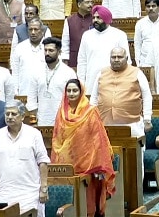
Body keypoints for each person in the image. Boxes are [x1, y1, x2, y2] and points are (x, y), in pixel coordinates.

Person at [52, 79, 115, 217]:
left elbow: (98, 138)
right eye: (68, 91)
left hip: (88, 163)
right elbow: (57, 137)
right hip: (69, 160)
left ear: (81, 92)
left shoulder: (91, 111)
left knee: (89, 204)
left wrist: (98, 164)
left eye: (75, 90)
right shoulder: (62, 112)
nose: (71, 93)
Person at [0, 100, 51, 216]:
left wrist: (43, 188)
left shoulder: (34, 134)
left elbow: (42, 161)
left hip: (30, 192)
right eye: (7, 114)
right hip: (4, 192)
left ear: (22, 116)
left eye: (13, 114)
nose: (10, 117)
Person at [89, 48, 153, 138]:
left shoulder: (137, 73)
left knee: (134, 151)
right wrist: (92, 118)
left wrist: (147, 119)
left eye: (119, 57)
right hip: (105, 124)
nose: (116, 60)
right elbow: (94, 98)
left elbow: (147, 97)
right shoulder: (101, 73)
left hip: (132, 124)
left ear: (127, 58)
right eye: (113, 57)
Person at [76, 5, 131, 88]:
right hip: (91, 81)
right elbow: (82, 61)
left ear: (106, 18)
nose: (95, 20)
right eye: (94, 18)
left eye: (99, 17)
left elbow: (127, 60)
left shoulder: (119, 35)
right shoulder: (87, 36)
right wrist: (81, 83)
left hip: (114, 80)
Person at [27, 37, 77, 127]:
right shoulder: (36, 71)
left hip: (63, 120)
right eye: (45, 50)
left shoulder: (68, 73)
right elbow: (31, 98)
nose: (47, 53)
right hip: (42, 119)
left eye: (51, 50)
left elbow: (74, 99)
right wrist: (33, 119)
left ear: (59, 52)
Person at [9, 19, 47, 96]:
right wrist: (15, 91)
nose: (33, 32)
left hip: (45, 93)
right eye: (30, 29)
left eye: (36, 29)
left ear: (42, 31)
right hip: (25, 92)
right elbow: (15, 72)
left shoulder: (49, 48)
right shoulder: (20, 48)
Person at [62, 0, 94, 68]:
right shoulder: (69, 20)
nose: (90, 5)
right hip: (74, 57)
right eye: (87, 2)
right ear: (79, 4)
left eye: (91, 2)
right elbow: (65, 41)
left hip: (91, 56)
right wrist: (65, 59)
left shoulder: (95, 18)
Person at [133, 0, 159, 66]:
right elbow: (137, 43)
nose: (151, 8)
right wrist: (138, 61)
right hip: (145, 61)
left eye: (153, 6)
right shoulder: (140, 23)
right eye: (148, 6)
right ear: (145, 8)